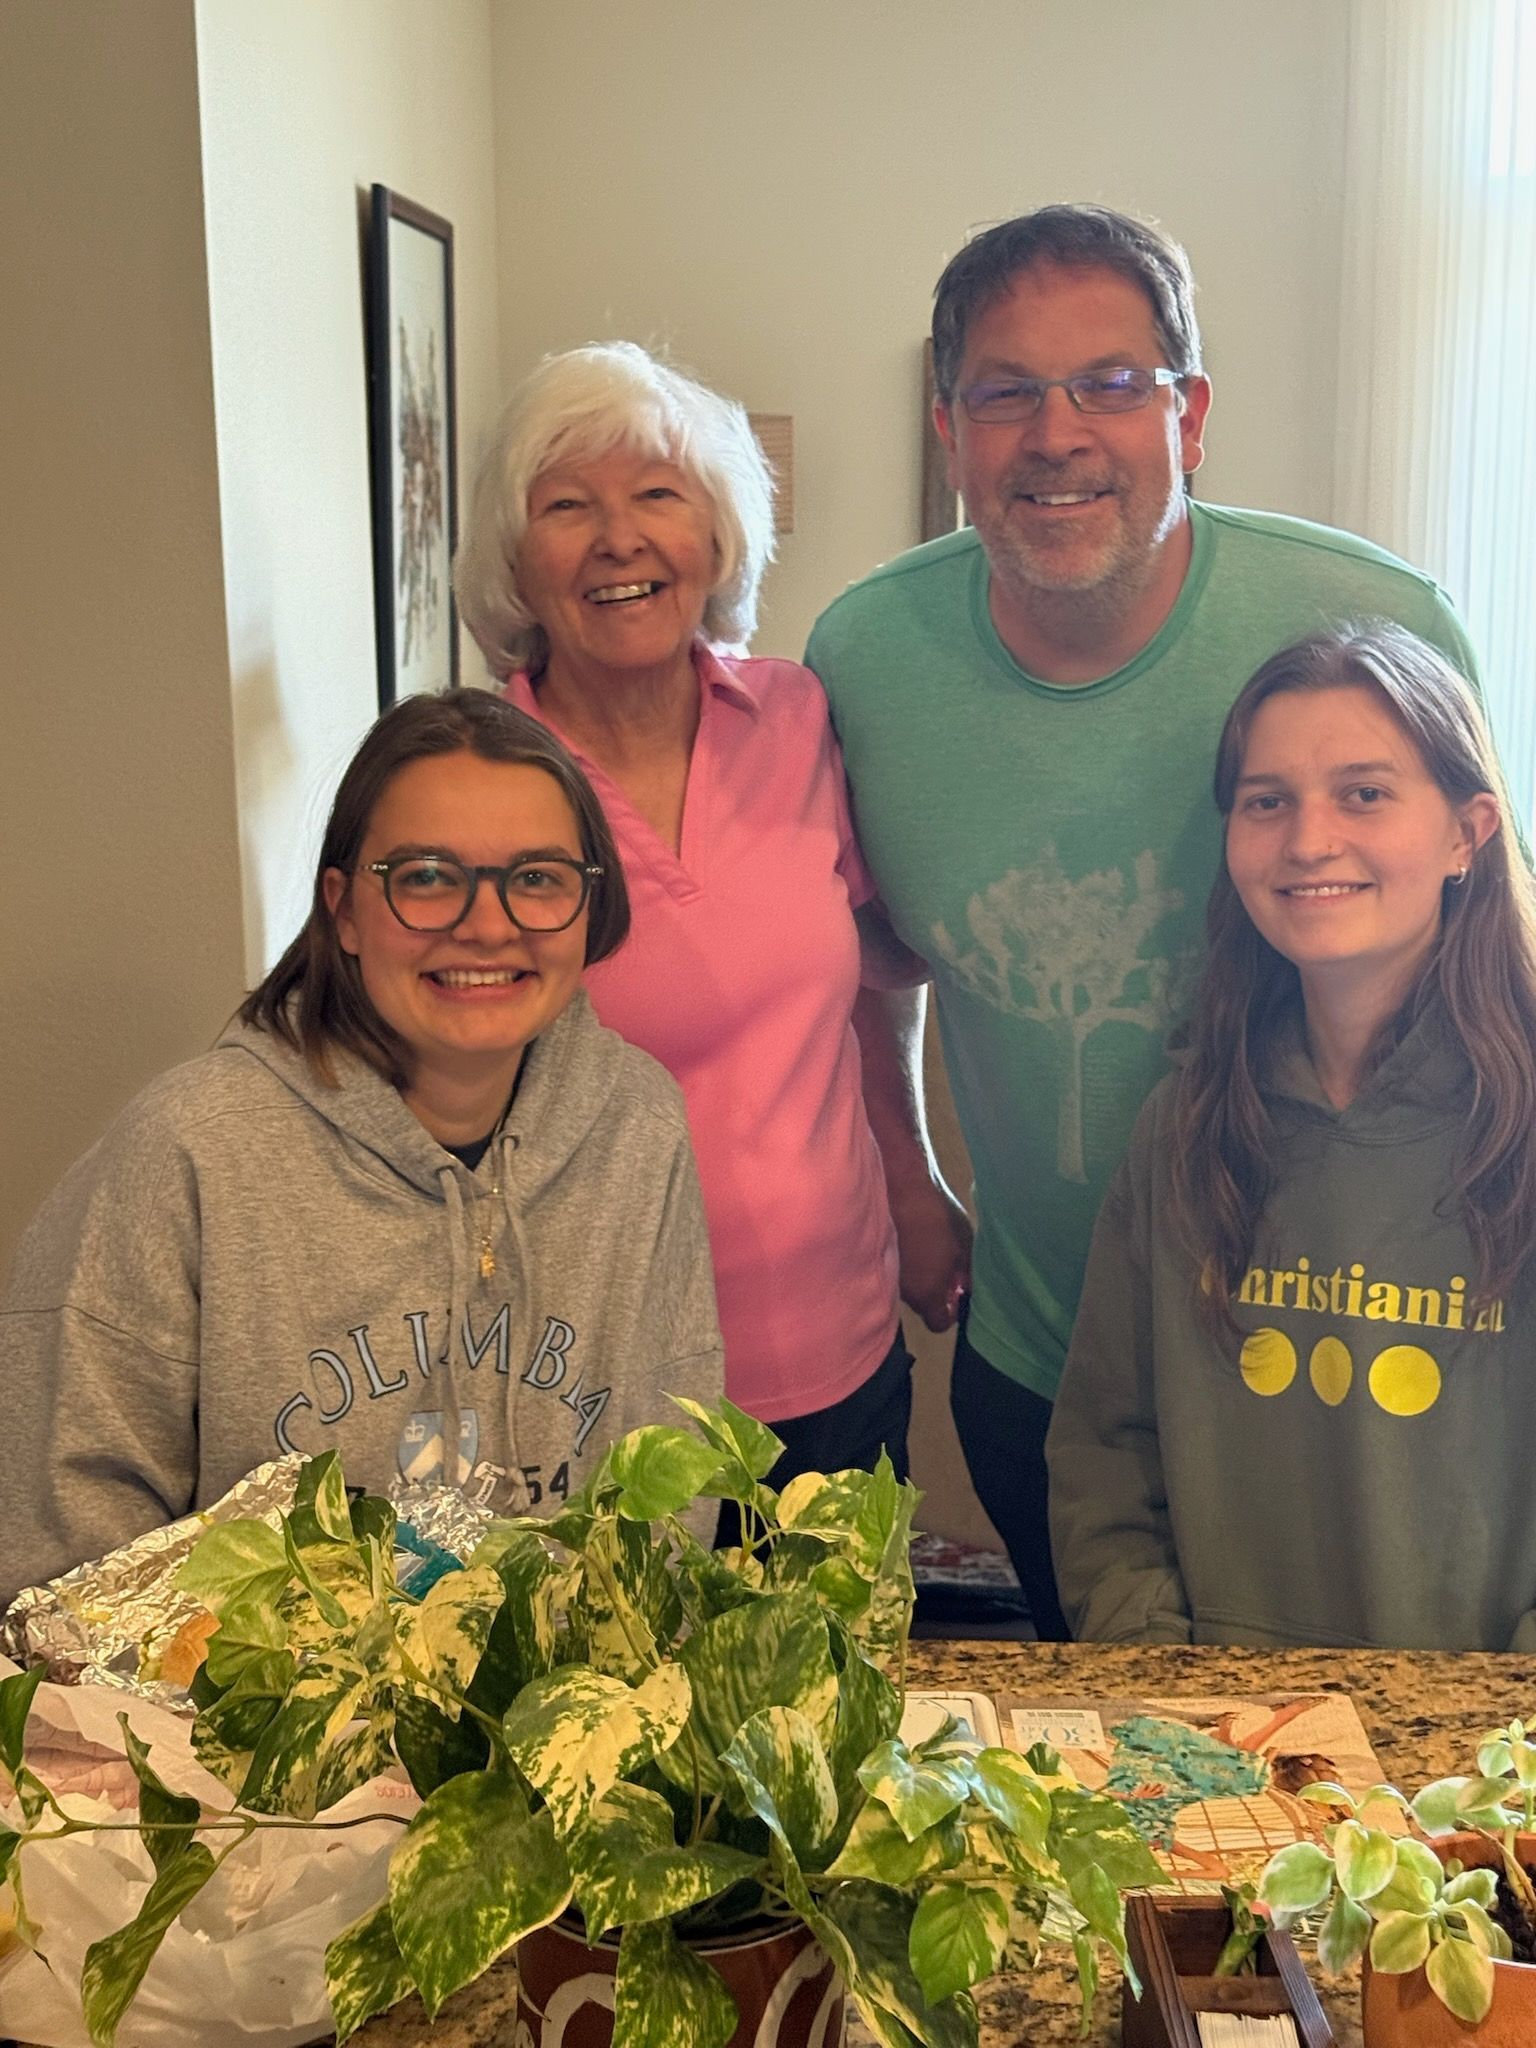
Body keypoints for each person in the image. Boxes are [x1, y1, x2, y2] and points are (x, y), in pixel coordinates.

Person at [806, 204, 1480, 1639]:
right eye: (1006, 392)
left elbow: (1488, 937)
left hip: (1358, 1361)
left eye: (1112, 383)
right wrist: (910, 1172)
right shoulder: (865, 656)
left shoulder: (1372, 619)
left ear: (1192, 416)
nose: (1058, 433)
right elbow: (855, 946)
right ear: (950, 428)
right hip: (1048, 1369)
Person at [0, 691, 722, 1606]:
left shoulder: (638, 1128)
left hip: (549, 1735)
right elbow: (63, 1563)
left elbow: (670, 1485)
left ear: (588, 904)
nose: (487, 925)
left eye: (537, 876)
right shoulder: (189, 1154)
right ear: (343, 909)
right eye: (426, 875)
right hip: (241, 1738)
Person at [454, 342, 954, 1508]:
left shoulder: (796, 716)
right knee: (626, 1693)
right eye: (567, 506)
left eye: (658, 496)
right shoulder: (474, 773)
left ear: (717, 535)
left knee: (843, 1678)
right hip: (599, 1388)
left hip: (845, 1346)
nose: (618, 537)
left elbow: (873, 970)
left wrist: (915, 1179)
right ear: (517, 564)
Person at [1047, 624, 1536, 1650]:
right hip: (1216, 1739)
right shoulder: (1185, 1121)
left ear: (1468, 831)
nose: (1309, 839)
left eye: (1364, 792)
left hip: (1486, 1765)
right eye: (1267, 800)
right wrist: (1167, 1680)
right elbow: (1105, 1452)